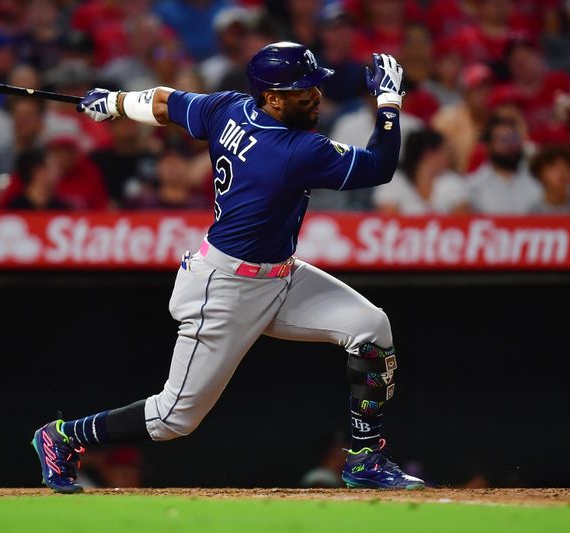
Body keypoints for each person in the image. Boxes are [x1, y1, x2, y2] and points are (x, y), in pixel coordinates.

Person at [31, 42, 423, 493]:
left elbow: (163, 102)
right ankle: (61, 436)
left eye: (315, 86)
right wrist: (390, 102)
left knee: (370, 327)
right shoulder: (293, 150)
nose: (316, 96)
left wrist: (115, 103)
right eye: (303, 90)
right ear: (272, 97)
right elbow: (380, 166)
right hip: (225, 289)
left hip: (280, 276)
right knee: (171, 419)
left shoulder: (228, 108)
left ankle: (364, 459)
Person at [373, 128, 469, 215]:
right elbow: (387, 220)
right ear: (428, 154)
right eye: (443, 151)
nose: (448, 156)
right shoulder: (393, 182)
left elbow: (462, 222)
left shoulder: (453, 182)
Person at [467, 115, 542, 214]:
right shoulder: (473, 186)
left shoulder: (537, 181)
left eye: (513, 138)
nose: (509, 144)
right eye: (502, 139)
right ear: (489, 146)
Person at [529, 146, 570, 214]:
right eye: (554, 169)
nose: (561, 174)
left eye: (566, 168)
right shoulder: (534, 210)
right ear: (540, 174)